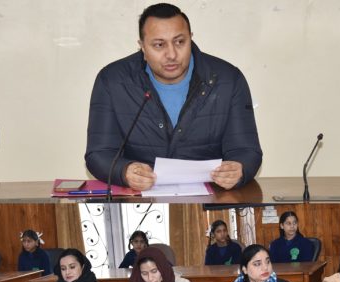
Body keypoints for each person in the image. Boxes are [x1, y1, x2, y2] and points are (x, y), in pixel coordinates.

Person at [85, 3, 262, 191]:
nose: (171, 54)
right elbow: (99, 154)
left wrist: (238, 169)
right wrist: (124, 171)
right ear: (142, 47)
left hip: (212, 198)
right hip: (139, 198)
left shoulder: (228, 80)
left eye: (179, 42)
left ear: (190, 39)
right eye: (159, 45)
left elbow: (247, 151)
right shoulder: (112, 81)